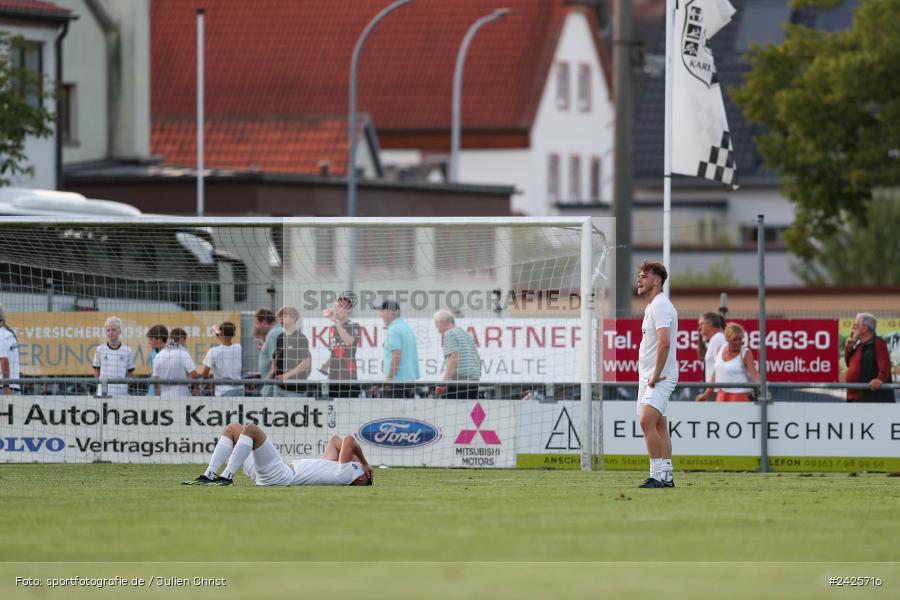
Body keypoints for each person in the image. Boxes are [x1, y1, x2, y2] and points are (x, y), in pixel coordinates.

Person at [183, 425, 373, 487]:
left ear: (361, 477)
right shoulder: (334, 469)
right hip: (269, 475)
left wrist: (364, 463)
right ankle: (209, 475)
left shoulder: (347, 474)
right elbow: (334, 441)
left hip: (281, 476)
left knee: (251, 430)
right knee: (234, 429)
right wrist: (359, 461)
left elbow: (349, 441)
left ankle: (226, 478)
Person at [635, 261, 678, 489]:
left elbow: (665, 344)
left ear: (656, 281)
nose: (639, 280)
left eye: (644, 276)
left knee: (646, 422)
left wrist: (655, 375)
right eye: (639, 276)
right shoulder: (652, 306)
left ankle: (656, 477)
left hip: (660, 377)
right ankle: (667, 476)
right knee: (660, 425)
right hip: (650, 375)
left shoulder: (661, 305)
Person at [696, 323, 760, 402]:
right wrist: (706, 395)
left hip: (740, 395)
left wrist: (764, 389)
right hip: (722, 394)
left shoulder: (745, 353)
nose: (738, 342)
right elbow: (715, 373)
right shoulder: (721, 349)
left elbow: (755, 375)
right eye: (735, 339)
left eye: (740, 339)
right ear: (727, 339)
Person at [845, 313, 894, 403]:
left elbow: (885, 365)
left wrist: (879, 379)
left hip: (870, 400)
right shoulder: (859, 346)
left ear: (864, 329)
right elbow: (849, 364)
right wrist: (848, 349)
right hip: (854, 398)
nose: (853, 328)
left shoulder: (878, 343)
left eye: (855, 325)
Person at [319, 292, 361, 398]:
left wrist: (336, 322)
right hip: (333, 378)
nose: (337, 309)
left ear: (349, 310)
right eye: (336, 306)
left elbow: (348, 342)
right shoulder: (332, 328)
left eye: (341, 306)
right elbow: (335, 352)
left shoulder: (354, 326)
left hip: (348, 378)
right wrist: (326, 366)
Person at [433, 309, 481, 400]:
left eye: (437, 325)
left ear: (441, 322)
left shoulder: (449, 333)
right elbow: (478, 358)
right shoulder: (464, 333)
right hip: (473, 379)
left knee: (449, 409)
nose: (438, 330)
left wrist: (443, 382)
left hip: (460, 380)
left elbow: (454, 357)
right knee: (468, 410)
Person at [380, 300, 420, 398]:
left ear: (391, 312)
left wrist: (389, 381)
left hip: (396, 383)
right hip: (409, 381)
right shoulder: (407, 328)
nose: (380, 315)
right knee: (406, 413)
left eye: (382, 311)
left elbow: (396, 357)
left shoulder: (394, 329)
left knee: (391, 413)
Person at [272, 306, 311, 397]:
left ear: (294, 318)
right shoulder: (280, 337)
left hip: (295, 390)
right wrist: (273, 371)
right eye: (280, 318)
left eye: (284, 317)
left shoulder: (300, 338)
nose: (281, 320)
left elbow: (306, 363)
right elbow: (275, 356)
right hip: (278, 387)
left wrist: (286, 376)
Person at [151, 324, 199, 397]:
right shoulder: (183, 353)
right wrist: (197, 389)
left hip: (164, 396)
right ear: (182, 339)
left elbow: (155, 381)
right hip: (182, 395)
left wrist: (157, 397)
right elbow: (194, 374)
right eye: (185, 341)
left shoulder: (158, 356)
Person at [92, 316, 135, 396]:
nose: (110, 332)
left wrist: (125, 386)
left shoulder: (127, 350)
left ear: (120, 331)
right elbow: (96, 372)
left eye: (113, 330)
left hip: (121, 394)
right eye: (108, 330)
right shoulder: (100, 349)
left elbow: (130, 374)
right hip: (103, 394)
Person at [201, 321, 243, 397]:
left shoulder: (213, 351)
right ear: (233, 334)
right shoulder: (239, 348)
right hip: (240, 390)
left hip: (223, 391)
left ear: (221, 334)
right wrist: (220, 333)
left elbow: (205, 374)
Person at [254, 307, 282, 397]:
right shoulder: (278, 331)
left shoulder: (273, 334)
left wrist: (267, 384)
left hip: (272, 387)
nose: (256, 326)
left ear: (265, 322)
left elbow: (276, 361)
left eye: (257, 323)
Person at [697, 312, 726, 384]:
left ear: (710, 324)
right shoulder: (714, 340)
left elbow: (720, 367)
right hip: (714, 388)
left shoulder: (717, 339)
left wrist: (708, 391)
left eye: (701, 324)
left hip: (716, 389)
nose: (699, 328)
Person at [0, 304, 22, 395]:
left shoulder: (1, 336)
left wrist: (6, 387)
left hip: (3, 388)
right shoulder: (8, 334)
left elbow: (4, 361)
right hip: (14, 387)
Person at [146, 324, 168, 397]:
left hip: (166, 395)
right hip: (152, 394)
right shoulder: (153, 353)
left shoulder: (171, 354)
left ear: (159, 340)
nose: (149, 342)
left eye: (151, 339)